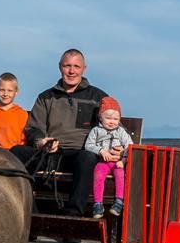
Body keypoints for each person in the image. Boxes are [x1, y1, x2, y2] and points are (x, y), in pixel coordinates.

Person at [12, 48, 109, 216]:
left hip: (80, 154)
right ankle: (30, 214)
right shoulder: (46, 97)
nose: (71, 71)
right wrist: (42, 140)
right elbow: (34, 128)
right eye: (67, 66)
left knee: (87, 158)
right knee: (16, 153)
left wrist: (109, 148)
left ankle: (72, 217)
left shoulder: (98, 97)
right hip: (50, 154)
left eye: (76, 67)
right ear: (60, 67)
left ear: (84, 68)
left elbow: (112, 126)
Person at [84, 96, 133, 218]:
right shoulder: (96, 131)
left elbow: (130, 146)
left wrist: (123, 159)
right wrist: (100, 151)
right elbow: (88, 145)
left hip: (117, 162)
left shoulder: (121, 132)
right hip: (103, 162)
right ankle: (98, 204)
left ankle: (118, 202)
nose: (112, 121)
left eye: (116, 119)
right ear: (100, 118)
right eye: (108, 118)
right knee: (98, 174)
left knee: (120, 174)